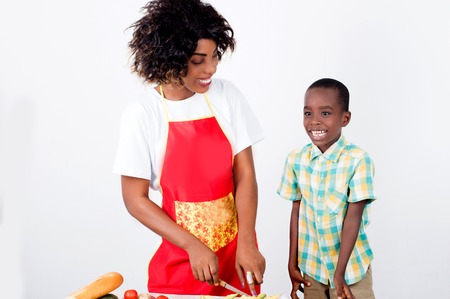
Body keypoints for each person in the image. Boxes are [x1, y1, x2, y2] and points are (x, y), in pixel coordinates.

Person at [113, 0, 265, 296]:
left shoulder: (226, 96)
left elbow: (245, 174)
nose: (211, 68)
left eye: (214, 56)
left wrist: (247, 242)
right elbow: (135, 199)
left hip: (237, 261)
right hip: (180, 267)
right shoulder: (143, 113)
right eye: (198, 60)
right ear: (169, 59)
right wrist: (192, 245)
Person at [277, 78, 376, 299]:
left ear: (345, 118)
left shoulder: (358, 160)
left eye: (325, 113)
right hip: (313, 270)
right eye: (308, 113)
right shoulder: (296, 160)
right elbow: (296, 213)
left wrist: (339, 274)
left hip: (350, 273)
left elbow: (353, 219)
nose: (314, 121)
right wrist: (292, 264)